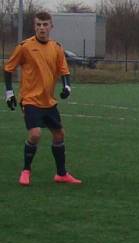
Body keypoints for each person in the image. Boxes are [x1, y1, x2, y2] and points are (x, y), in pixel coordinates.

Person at [3, 11, 81, 186]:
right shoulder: (24, 47)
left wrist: (67, 86)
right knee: (35, 134)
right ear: (34, 26)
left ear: (51, 26)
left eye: (45, 25)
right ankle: (26, 170)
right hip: (30, 100)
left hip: (49, 101)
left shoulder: (57, 48)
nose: (42, 28)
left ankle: (61, 174)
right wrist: (9, 93)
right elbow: (8, 68)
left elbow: (64, 70)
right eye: (38, 24)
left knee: (59, 134)